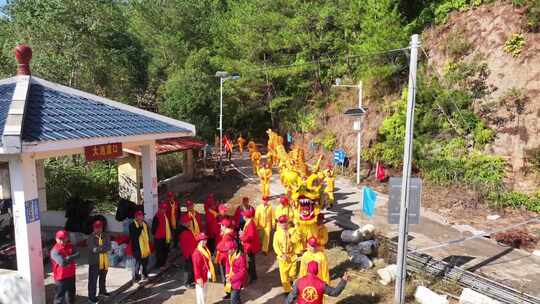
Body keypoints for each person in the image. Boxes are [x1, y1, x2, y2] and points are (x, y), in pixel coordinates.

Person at [51, 230, 79, 304]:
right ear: (56, 239)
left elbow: (78, 254)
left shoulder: (70, 245)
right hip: (60, 277)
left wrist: (68, 258)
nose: (62, 241)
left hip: (71, 274)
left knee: (71, 295)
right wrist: (72, 258)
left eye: (64, 238)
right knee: (59, 298)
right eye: (60, 239)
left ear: (67, 238)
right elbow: (62, 263)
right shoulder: (55, 250)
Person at [273, 215, 300, 294]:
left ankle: (291, 281)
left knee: (293, 273)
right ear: (279, 224)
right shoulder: (277, 234)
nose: (283, 225)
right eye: (281, 223)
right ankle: (287, 291)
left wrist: (295, 232)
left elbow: (296, 241)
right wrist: (281, 254)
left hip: (292, 256)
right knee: (284, 275)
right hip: (283, 258)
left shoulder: (292, 231)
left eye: (285, 222)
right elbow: (275, 246)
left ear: (288, 223)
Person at [87, 220, 110, 303]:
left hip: (104, 261)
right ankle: (91, 296)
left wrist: (99, 248)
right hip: (94, 262)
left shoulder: (105, 236)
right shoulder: (90, 237)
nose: (98, 230)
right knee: (93, 280)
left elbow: (108, 247)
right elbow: (93, 249)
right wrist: (102, 248)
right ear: (93, 228)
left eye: (100, 228)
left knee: (103, 278)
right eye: (96, 228)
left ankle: (102, 291)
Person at [192, 233, 217, 304]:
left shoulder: (205, 248)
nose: (205, 241)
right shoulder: (197, 253)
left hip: (205, 274)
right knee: (201, 295)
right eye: (203, 240)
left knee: (204, 294)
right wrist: (199, 278)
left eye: (205, 239)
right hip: (201, 277)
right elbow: (196, 268)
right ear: (199, 241)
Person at [239, 208, 261, 282]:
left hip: (250, 247)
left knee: (250, 262)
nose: (243, 216)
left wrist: (241, 237)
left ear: (246, 217)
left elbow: (250, 237)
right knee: (251, 262)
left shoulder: (250, 224)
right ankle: (253, 276)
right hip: (250, 246)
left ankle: (252, 277)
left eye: (244, 215)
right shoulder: (249, 222)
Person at [129, 210, 151, 284]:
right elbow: (134, 237)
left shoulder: (145, 224)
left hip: (145, 247)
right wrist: (140, 227)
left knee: (145, 262)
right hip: (137, 247)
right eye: (141, 216)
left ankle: (144, 275)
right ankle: (135, 277)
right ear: (136, 217)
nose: (142, 217)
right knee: (137, 263)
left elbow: (147, 234)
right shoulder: (132, 225)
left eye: (142, 215)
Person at [179, 214, 198, 287]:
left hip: (190, 252)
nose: (190, 222)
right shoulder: (184, 232)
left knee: (190, 268)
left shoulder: (186, 230)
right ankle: (187, 283)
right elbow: (189, 243)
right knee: (188, 269)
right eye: (189, 221)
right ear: (185, 223)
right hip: (188, 253)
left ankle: (190, 281)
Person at [152, 202, 172, 270]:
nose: (164, 210)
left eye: (165, 209)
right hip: (158, 237)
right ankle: (160, 265)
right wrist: (156, 234)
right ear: (160, 209)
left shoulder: (165, 215)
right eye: (163, 209)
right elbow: (153, 228)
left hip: (165, 237)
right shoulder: (156, 217)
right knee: (159, 252)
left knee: (165, 251)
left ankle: (162, 264)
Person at [216, 218, 236, 283]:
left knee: (224, 270)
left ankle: (225, 282)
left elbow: (221, 246)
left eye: (221, 225)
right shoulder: (230, 232)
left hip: (224, 256)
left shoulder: (227, 236)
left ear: (225, 226)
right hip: (227, 255)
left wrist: (218, 246)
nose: (220, 227)